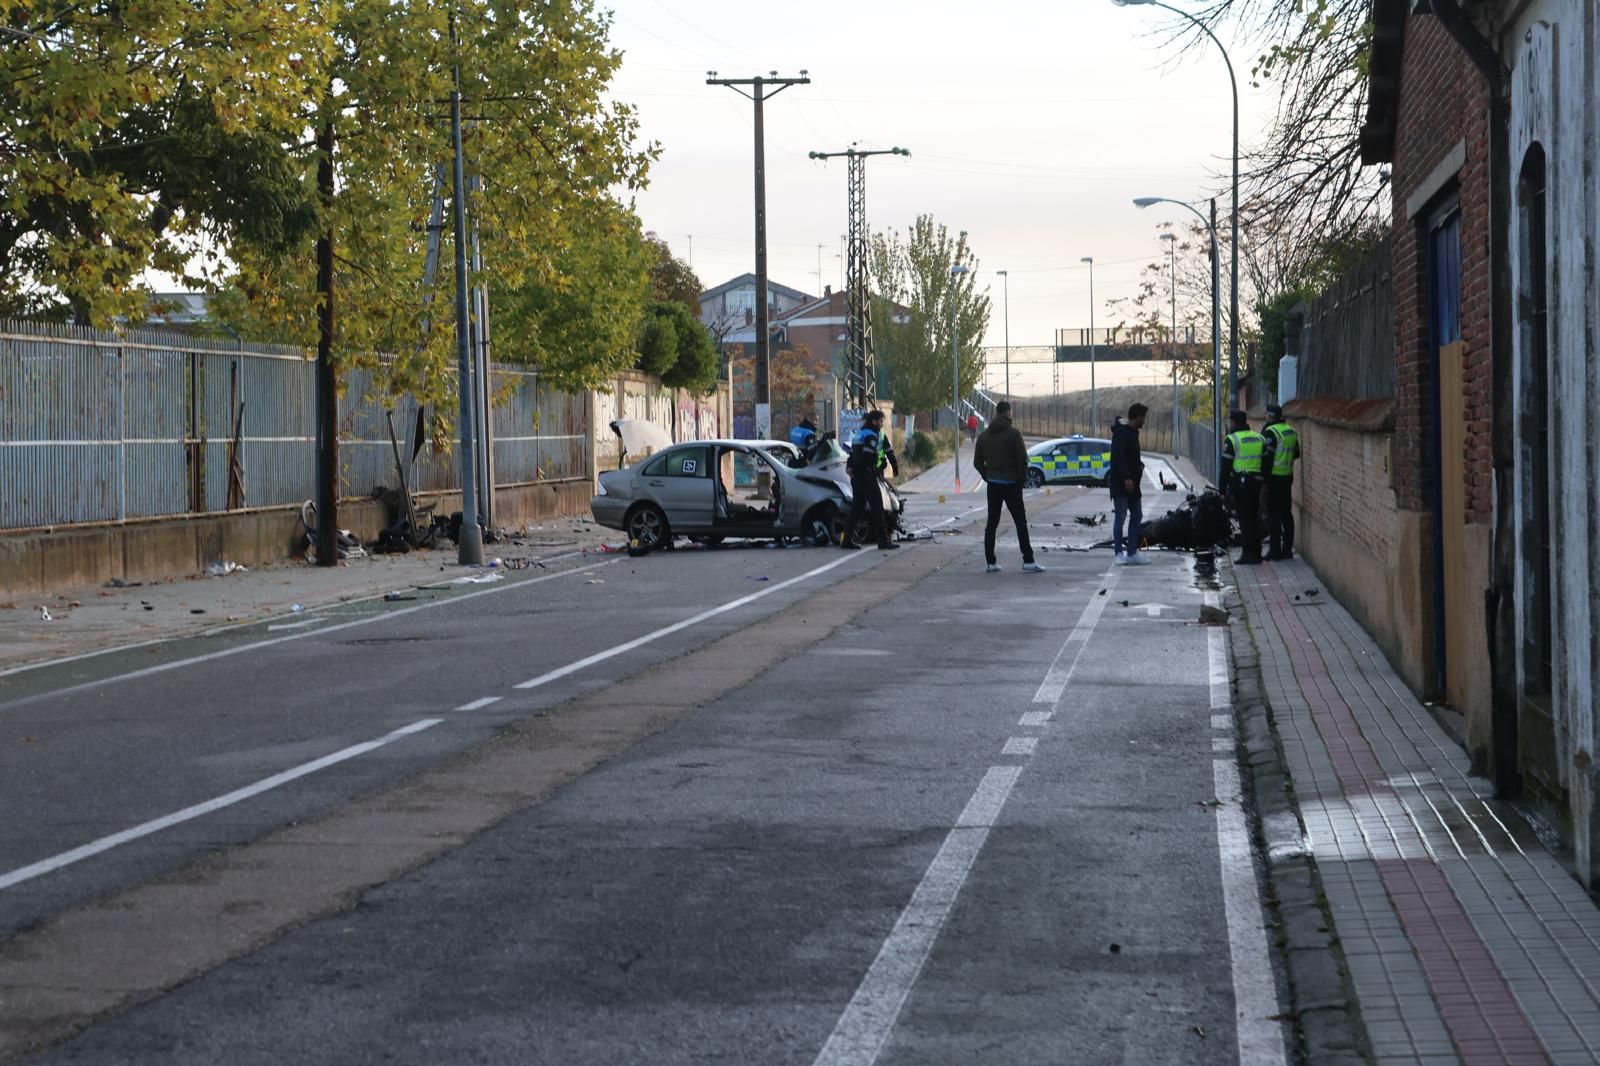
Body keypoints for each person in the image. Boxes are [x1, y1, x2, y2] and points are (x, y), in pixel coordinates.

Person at [972, 401, 1044, 573]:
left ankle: (991, 562)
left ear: (997, 413)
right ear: (1009, 413)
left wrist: (987, 476)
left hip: (993, 484)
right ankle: (1028, 560)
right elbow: (1022, 460)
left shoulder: (984, 436)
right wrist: (1021, 480)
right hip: (1011, 484)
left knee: (992, 523)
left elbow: (977, 462)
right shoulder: (1014, 434)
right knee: (1020, 522)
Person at [841, 410, 899, 550]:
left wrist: (850, 468)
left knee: (857, 509)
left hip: (858, 478)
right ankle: (883, 541)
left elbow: (852, 455)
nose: (882, 424)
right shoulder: (872, 436)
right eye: (880, 421)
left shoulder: (859, 434)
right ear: (874, 421)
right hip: (866, 476)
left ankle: (847, 540)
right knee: (877, 508)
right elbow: (865, 457)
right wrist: (856, 469)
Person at [1220, 410, 1266, 565]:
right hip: (1257, 483)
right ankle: (1257, 552)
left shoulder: (1232, 440)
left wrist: (1222, 490)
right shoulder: (1259, 438)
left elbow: (1225, 468)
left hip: (1241, 484)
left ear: (1233, 422)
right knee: (1254, 518)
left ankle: (1248, 554)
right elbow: (1266, 463)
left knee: (1245, 520)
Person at [1110, 403, 1151, 565]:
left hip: (1134, 485)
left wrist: (1138, 465)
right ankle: (1118, 553)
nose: (1144, 421)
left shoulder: (1133, 433)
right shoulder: (1122, 433)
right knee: (1120, 517)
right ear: (1138, 417)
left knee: (1137, 515)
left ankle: (1132, 552)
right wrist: (1126, 478)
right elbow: (1118, 458)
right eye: (1143, 418)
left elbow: (1130, 456)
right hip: (1122, 485)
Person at [1261, 404, 1300, 561]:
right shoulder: (1291, 431)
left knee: (1273, 515)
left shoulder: (1271, 432)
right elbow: (1296, 453)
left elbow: (1267, 458)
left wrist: (1264, 480)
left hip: (1274, 479)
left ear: (1270, 416)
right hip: (1287, 477)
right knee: (1286, 514)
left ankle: (1275, 550)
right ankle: (1287, 550)